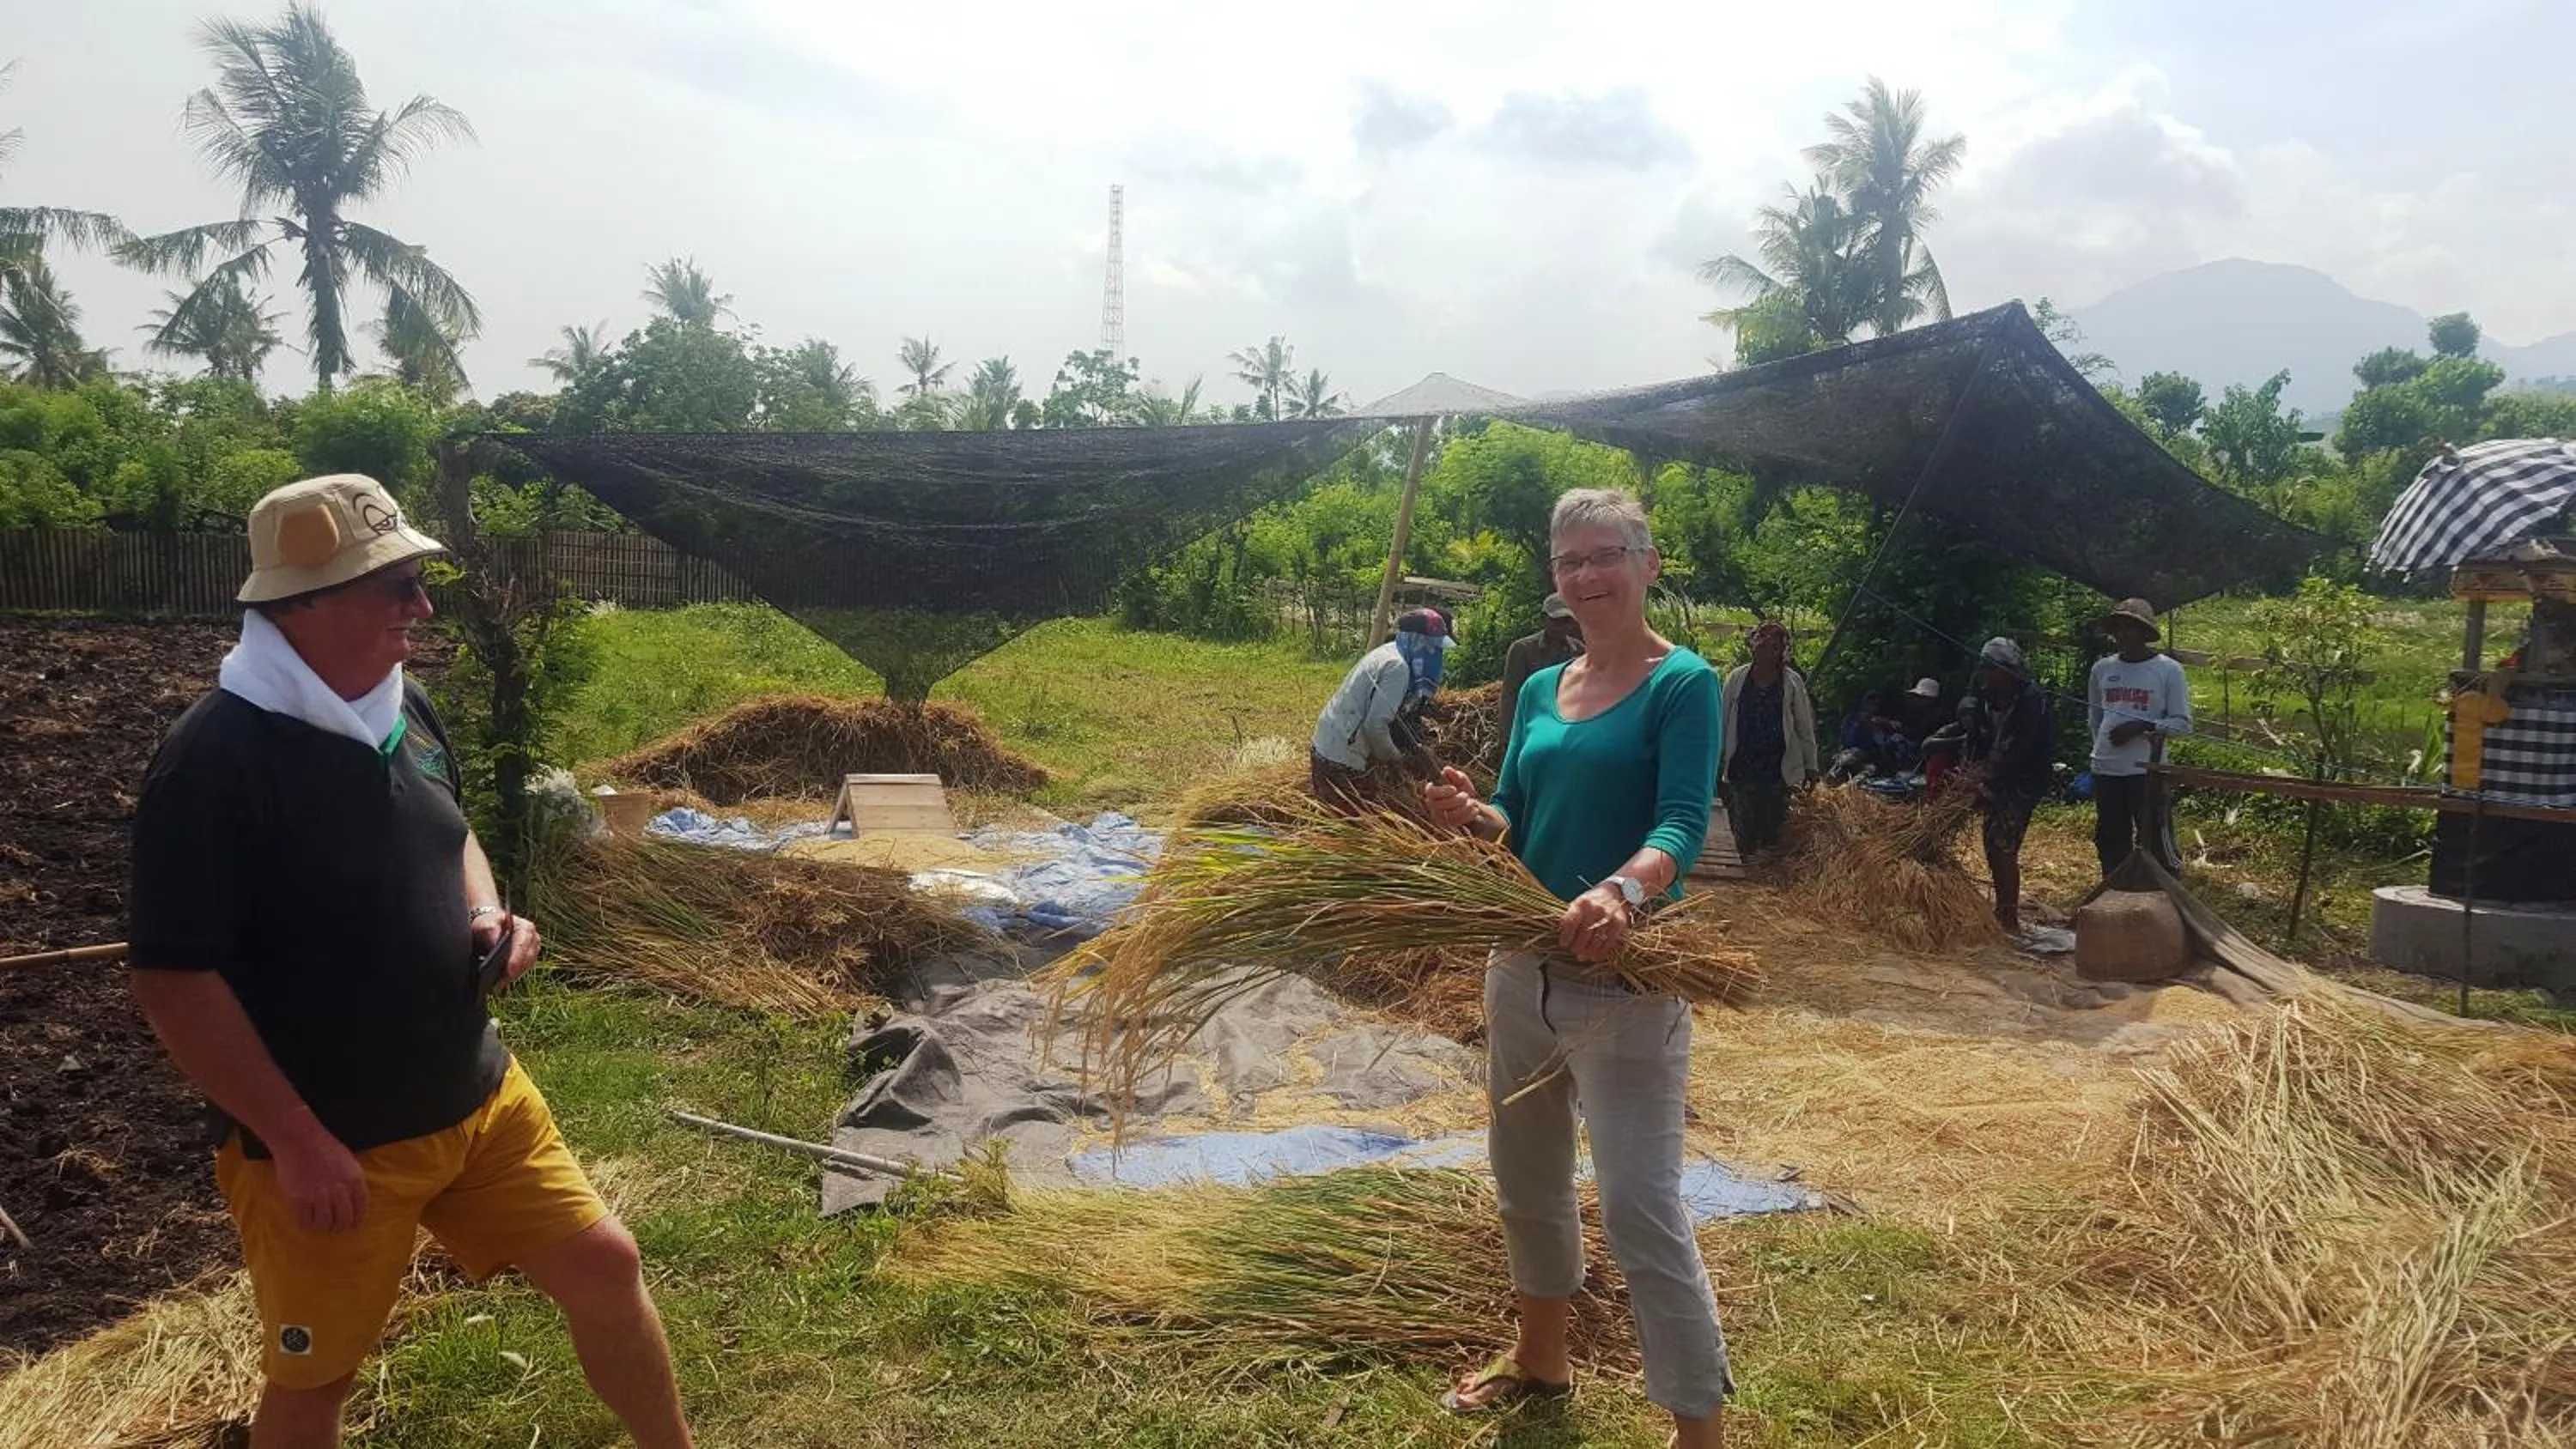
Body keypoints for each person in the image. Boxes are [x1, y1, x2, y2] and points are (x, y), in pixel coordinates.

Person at [125, 475, 694, 1449]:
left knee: (606, 1262)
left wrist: (485, 910)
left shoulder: (403, 706)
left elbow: (450, 831)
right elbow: (172, 981)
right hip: (336, 1145)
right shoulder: (215, 761)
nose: (423, 607)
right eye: (396, 586)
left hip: (477, 1095)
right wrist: (298, 1140)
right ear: (304, 604)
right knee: (316, 1380)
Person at [1422, 488, 1730, 1448]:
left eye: (1606, 555)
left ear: (1649, 563)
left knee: (1641, 1207)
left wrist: (1623, 891)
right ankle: (1541, 1356)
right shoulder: (1539, 688)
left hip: (1622, 981)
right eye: (1570, 561)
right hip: (1521, 966)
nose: (1587, 575)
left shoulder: (1685, 683)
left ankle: (1699, 1430)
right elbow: (1513, 813)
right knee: (1527, 1174)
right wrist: (1472, 814)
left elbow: (1682, 821)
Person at [2087, 598, 2192, 876]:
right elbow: (2095, 719)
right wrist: (2100, 752)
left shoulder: (2168, 670)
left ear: (2145, 632)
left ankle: (2164, 893)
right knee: (2110, 840)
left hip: (2147, 770)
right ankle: (2115, 890)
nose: (2122, 634)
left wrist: (2142, 726)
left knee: (2156, 840)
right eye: (2118, 628)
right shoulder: (2102, 669)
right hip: (2107, 769)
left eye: (2130, 628)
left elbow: (2182, 725)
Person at [1959, 636, 2055, 935]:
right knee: (1991, 841)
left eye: (1992, 669)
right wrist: (1970, 768)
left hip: (2023, 780)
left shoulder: (2032, 700)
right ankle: (2002, 909)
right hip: (1992, 774)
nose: (1987, 674)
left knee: (2003, 843)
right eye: (1984, 668)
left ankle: (2008, 917)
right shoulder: (1984, 696)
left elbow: (2024, 750)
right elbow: (1975, 737)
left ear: (2009, 671)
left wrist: (1988, 775)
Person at [1311, 606, 1452, 809]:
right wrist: (1397, 761)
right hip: (1341, 757)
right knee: (1356, 821)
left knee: (1332, 815)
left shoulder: (1390, 651)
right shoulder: (1398, 667)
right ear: (1417, 641)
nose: (1436, 654)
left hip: (1327, 744)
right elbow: (1375, 726)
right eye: (1432, 647)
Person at [1716, 620, 1820, 856]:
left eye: (1774, 647)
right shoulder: (1737, 679)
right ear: (1752, 645)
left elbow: (1804, 727)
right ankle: (1746, 868)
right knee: (1743, 828)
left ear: (1782, 652)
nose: (1766, 651)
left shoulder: (1791, 683)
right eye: (1761, 644)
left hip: (1778, 768)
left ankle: (1767, 869)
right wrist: (1717, 760)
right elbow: (1722, 721)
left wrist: (1811, 766)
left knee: (1774, 829)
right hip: (1743, 766)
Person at [1497, 591, 1585, 743]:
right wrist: (1508, 736)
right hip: (1532, 723)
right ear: (1544, 618)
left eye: (1566, 621)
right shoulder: (1522, 650)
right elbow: (1510, 694)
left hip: (1566, 724)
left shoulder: (1579, 650)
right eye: (1556, 621)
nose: (1561, 627)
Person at [1899, 676, 1947, 740]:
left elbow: (1917, 734)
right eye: (1917, 696)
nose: (1918, 700)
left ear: (1933, 699)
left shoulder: (1938, 716)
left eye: (1923, 698)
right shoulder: (1917, 711)